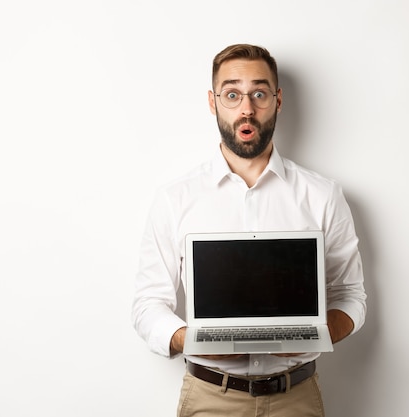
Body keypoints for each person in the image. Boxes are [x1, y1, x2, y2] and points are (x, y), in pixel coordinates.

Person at [132, 43, 367, 417]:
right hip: (211, 397)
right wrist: (193, 340)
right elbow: (147, 306)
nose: (246, 108)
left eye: (259, 93)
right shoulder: (175, 199)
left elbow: (351, 297)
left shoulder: (322, 195)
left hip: (297, 396)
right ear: (213, 102)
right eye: (232, 94)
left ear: (277, 99)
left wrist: (314, 335)